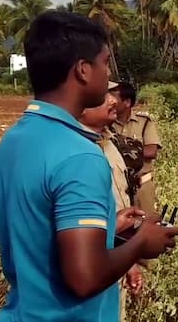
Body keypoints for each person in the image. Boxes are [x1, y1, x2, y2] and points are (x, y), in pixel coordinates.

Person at [0, 10, 178, 322]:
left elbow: (12, 233)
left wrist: (106, 227)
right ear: (82, 70)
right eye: (105, 62)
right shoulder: (81, 156)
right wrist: (141, 243)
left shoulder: (15, 140)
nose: (108, 75)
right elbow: (84, 278)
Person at [78, 81, 144, 322]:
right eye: (104, 94)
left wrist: (128, 261)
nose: (113, 100)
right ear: (79, 103)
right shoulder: (75, 153)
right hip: (88, 278)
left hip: (111, 265)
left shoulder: (109, 142)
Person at [109, 81, 161, 215]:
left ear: (126, 102)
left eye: (113, 97)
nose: (110, 101)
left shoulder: (144, 122)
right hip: (117, 185)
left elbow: (151, 151)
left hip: (142, 186)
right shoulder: (106, 123)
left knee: (146, 222)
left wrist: (122, 149)